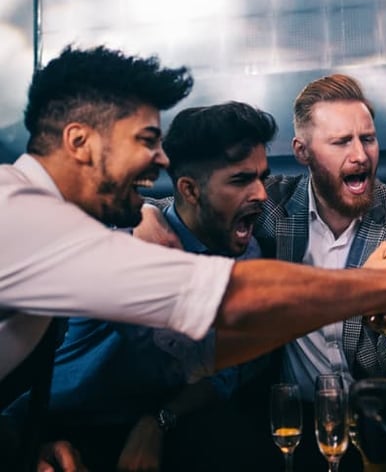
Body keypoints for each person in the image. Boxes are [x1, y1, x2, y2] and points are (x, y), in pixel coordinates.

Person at [0, 46, 386, 471]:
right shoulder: (20, 215)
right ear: (80, 142)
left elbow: (207, 354)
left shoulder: (61, 228)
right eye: (145, 140)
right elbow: (231, 297)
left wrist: (21, 442)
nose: (162, 161)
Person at [4, 101, 282, 471]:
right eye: (241, 179)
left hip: (156, 420)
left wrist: (159, 420)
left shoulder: (247, 255)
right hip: (52, 424)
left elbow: (230, 370)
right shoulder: (120, 242)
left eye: (263, 176)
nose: (262, 193)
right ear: (190, 190)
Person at [254, 74, 386, 470]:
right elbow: (194, 203)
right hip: (292, 424)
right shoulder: (269, 207)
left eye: (368, 139)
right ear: (302, 152)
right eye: (341, 142)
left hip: (377, 426)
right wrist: (152, 213)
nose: (360, 156)